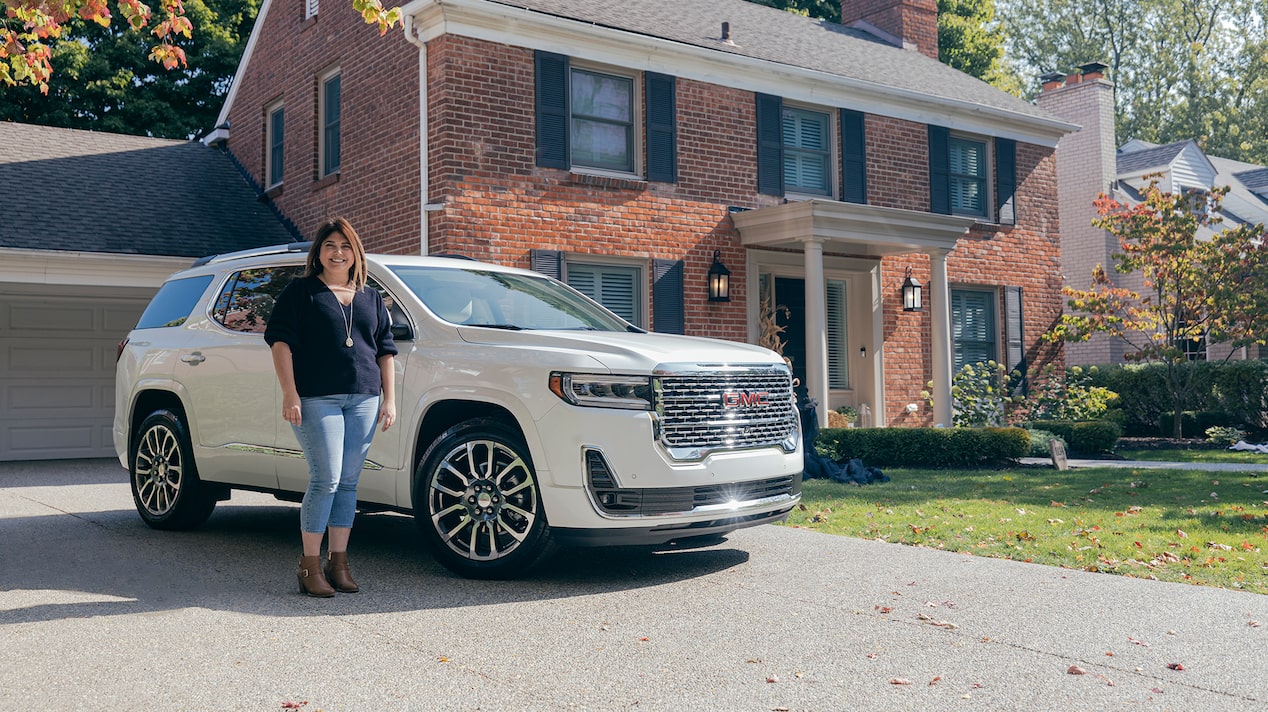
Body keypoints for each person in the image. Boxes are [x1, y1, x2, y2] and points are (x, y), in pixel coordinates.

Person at [265, 217, 397, 597]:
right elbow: (280, 344)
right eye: (330, 245)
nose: (338, 252)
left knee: (350, 483)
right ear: (318, 253)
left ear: (355, 254)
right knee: (326, 478)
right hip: (316, 398)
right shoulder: (301, 292)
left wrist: (390, 400)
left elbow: (386, 351)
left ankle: (338, 563)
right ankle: (309, 566)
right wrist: (290, 394)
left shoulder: (371, 298)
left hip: (365, 399)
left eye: (345, 246)